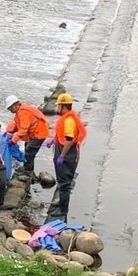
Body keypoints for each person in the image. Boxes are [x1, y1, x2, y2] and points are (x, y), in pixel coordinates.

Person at [46, 93, 88, 223]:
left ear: (63, 106)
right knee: (61, 180)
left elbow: (69, 140)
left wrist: (62, 156)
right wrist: (53, 141)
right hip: (62, 151)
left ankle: (63, 210)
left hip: (67, 154)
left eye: (59, 106)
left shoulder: (69, 121)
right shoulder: (66, 118)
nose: (57, 108)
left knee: (64, 183)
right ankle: (60, 203)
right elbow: (63, 135)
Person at [4, 95, 50, 176]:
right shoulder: (21, 110)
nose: (10, 111)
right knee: (27, 149)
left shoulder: (23, 113)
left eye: (10, 108)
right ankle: (29, 170)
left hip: (38, 134)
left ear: (15, 105)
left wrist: (13, 141)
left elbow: (23, 130)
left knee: (29, 152)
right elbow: (18, 125)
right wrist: (9, 132)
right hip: (36, 133)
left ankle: (26, 172)